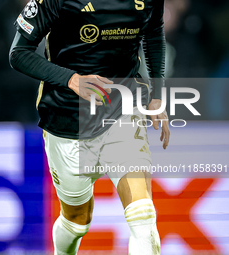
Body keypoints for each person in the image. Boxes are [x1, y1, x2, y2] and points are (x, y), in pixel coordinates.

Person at [9, 0, 170, 254]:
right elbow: (18, 53)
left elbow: (153, 31)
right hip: (67, 118)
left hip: (122, 110)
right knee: (77, 222)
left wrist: (157, 94)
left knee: (143, 215)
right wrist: (71, 79)